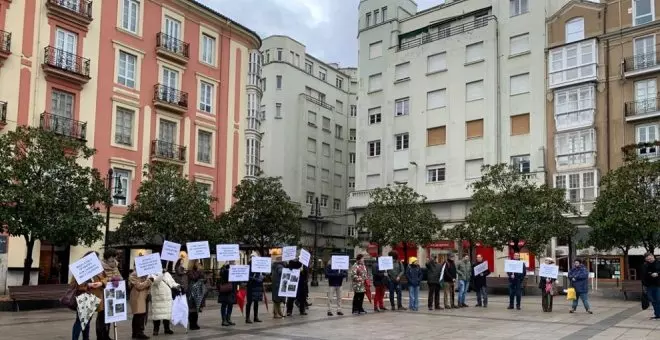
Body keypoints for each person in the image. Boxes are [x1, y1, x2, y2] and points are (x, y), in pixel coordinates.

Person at [70, 251, 106, 340]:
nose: (98, 260)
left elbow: (106, 279)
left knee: (87, 322)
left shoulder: (98, 269)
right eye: (96, 258)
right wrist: (88, 285)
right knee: (80, 321)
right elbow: (73, 284)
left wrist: (101, 283)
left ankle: (86, 338)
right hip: (84, 297)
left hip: (95, 298)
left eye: (98, 258)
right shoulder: (81, 268)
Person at [149, 262, 180, 335]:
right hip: (158, 297)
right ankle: (156, 330)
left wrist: (178, 286)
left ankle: (167, 328)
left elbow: (172, 283)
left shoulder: (167, 274)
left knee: (167, 314)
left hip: (167, 297)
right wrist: (161, 273)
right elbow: (155, 282)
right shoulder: (152, 274)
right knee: (157, 315)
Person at [98, 249, 122, 340]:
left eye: (115, 257)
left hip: (113, 295)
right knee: (102, 317)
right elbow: (99, 280)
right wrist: (110, 280)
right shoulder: (100, 267)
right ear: (107, 258)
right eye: (113, 257)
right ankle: (100, 336)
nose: (114, 259)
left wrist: (118, 279)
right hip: (103, 294)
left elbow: (120, 277)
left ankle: (106, 335)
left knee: (110, 316)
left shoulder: (115, 266)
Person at [129, 267, 154, 339]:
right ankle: (139, 333)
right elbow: (139, 286)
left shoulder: (145, 274)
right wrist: (149, 281)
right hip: (137, 296)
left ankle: (136, 333)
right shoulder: (134, 275)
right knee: (139, 315)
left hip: (143, 296)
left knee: (140, 315)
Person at [186, 261, 206, 330]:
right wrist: (199, 271)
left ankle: (195, 323)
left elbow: (203, 278)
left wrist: (202, 273)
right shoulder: (189, 272)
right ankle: (192, 324)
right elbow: (194, 278)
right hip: (191, 292)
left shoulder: (199, 271)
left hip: (198, 291)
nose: (198, 264)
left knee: (196, 309)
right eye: (197, 263)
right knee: (192, 309)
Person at [217, 261, 237, 326]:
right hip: (226, 289)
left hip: (232, 289)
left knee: (230, 304)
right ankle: (224, 320)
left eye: (234, 261)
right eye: (233, 261)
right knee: (224, 304)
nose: (234, 262)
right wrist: (225, 267)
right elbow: (222, 274)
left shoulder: (234, 268)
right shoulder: (224, 268)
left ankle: (228, 319)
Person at [642, 253, 660, 320]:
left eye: (650, 258)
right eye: (647, 259)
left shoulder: (658, 263)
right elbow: (644, 275)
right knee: (653, 300)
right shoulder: (646, 265)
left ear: (653, 256)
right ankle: (657, 315)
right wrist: (644, 284)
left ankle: (658, 315)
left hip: (658, 285)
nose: (649, 260)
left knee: (658, 300)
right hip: (649, 285)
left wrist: (657, 273)